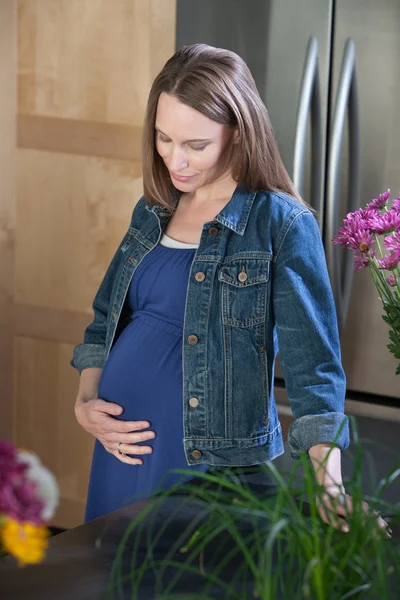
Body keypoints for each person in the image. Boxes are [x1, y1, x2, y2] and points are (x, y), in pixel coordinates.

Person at [71, 44, 388, 534]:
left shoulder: (279, 224)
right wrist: (86, 403)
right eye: (163, 138)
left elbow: (314, 368)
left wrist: (329, 486)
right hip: (121, 451)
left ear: (238, 134)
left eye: (196, 145)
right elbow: (105, 319)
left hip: (206, 458)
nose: (176, 160)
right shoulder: (153, 208)